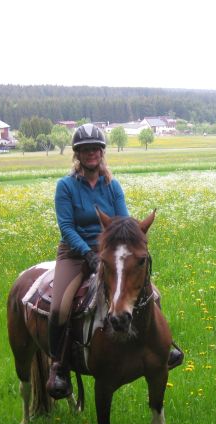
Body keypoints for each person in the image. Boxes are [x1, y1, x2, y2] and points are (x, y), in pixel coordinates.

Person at [46, 124, 183, 399]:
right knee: (60, 308)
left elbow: (123, 223)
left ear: (102, 152)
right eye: (85, 150)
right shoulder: (66, 187)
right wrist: (87, 253)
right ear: (77, 155)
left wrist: (118, 250)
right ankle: (58, 367)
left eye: (95, 148)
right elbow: (67, 227)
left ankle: (163, 347)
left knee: (152, 294)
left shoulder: (112, 186)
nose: (91, 154)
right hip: (75, 255)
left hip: (111, 255)